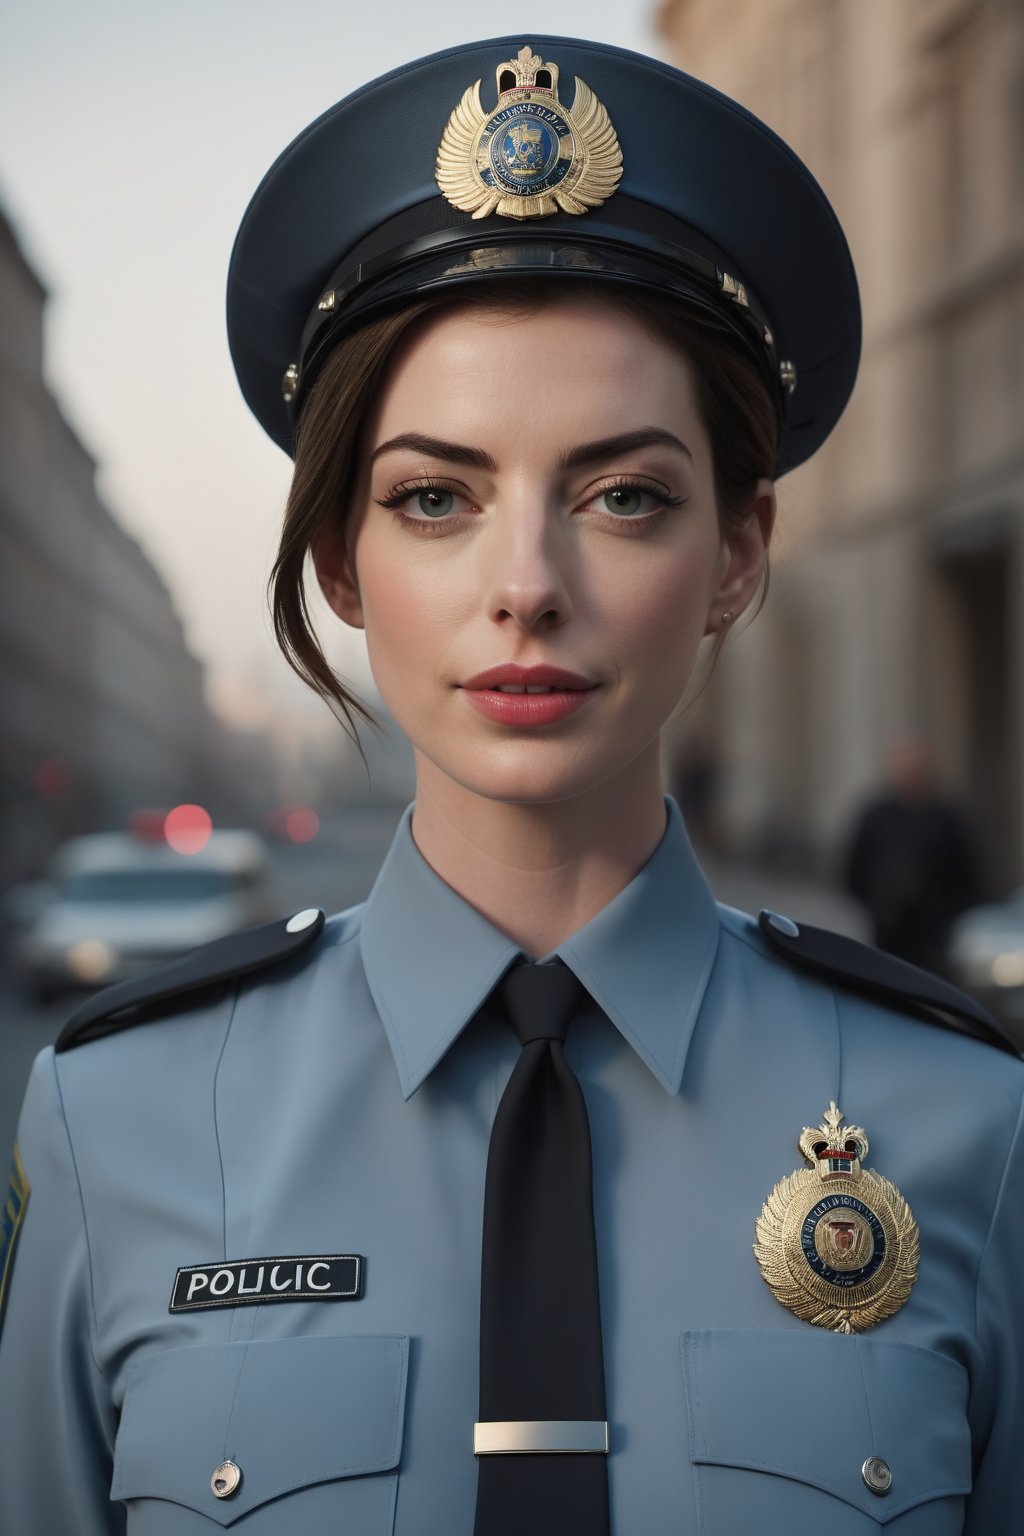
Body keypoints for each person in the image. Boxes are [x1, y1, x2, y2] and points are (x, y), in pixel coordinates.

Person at [1, 35, 1021, 1535]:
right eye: (435, 498)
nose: (527, 587)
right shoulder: (118, 1118)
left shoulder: (965, 1120)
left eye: (625, 497)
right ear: (342, 560)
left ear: (737, 553)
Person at [845, 738, 982, 973]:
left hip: (934, 935)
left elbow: (968, 874)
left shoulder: (946, 818)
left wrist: (948, 916)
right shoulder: (877, 817)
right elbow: (853, 868)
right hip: (888, 930)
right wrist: (876, 905)